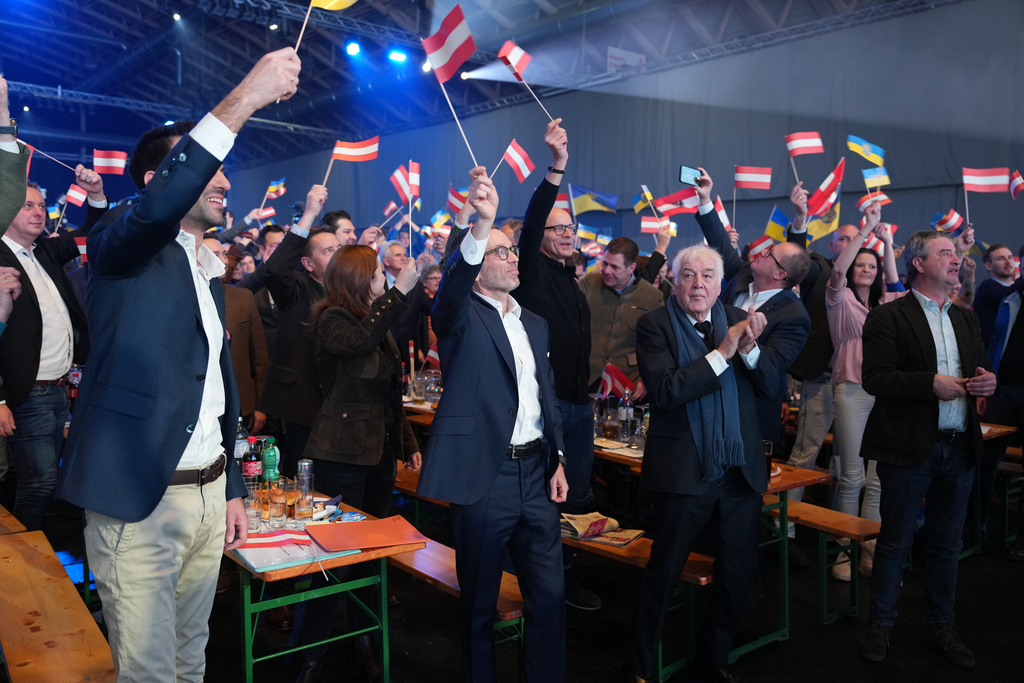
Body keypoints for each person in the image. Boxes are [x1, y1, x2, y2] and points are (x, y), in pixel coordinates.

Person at [57, 47, 301, 681]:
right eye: (207, 169)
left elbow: (214, 392)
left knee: (192, 661)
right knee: (149, 672)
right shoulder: (120, 243)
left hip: (210, 496)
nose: (223, 182)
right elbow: (156, 210)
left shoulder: (207, 271)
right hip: (140, 500)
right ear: (156, 180)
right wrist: (246, 97)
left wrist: (232, 487)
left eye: (224, 172)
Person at [418, 166, 569, 683]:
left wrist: (558, 458)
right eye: (501, 252)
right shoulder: (457, 316)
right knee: (479, 605)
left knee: (549, 598)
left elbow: (545, 397)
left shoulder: (533, 323)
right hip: (485, 477)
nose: (513, 257)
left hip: (537, 476)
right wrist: (481, 226)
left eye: (512, 251)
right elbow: (452, 285)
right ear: (479, 265)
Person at [623, 246, 774, 683]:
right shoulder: (655, 324)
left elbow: (769, 385)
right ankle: (637, 667)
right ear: (675, 281)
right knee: (663, 574)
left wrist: (749, 350)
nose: (698, 284)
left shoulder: (737, 318)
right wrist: (724, 350)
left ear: (720, 283)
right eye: (688, 274)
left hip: (739, 470)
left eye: (708, 275)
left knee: (736, 576)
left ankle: (715, 656)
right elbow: (666, 391)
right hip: (685, 470)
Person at [858, 230, 996, 669]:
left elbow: (980, 366)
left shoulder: (965, 318)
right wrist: (928, 384)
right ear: (918, 264)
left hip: (959, 447)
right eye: (945, 253)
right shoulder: (888, 316)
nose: (956, 260)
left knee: (946, 546)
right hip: (908, 447)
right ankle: (880, 624)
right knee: (895, 543)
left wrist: (987, 380)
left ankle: (942, 626)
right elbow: (875, 379)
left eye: (955, 253)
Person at [293, 244, 423, 683]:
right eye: (378, 274)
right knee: (334, 561)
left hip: (379, 457)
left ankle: (362, 641)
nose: (384, 279)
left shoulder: (375, 323)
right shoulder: (333, 319)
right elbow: (357, 342)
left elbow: (389, 397)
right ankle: (309, 656)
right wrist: (398, 294)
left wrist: (407, 443)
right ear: (360, 279)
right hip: (341, 457)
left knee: (369, 557)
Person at [510, 119, 600, 610]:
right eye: (558, 228)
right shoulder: (531, 269)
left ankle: (568, 576)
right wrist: (557, 167)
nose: (568, 234)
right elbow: (532, 222)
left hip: (579, 405)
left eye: (571, 228)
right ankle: (539, 581)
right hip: (548, 408)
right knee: (546, 499)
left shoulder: (570, 278)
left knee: (578, 498)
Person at [0, 173, 105, 531]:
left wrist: (96, 194)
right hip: (27, 392)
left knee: (47, 484)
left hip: (58, 388)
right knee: (39, 485)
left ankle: (33, 553)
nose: (38, 212)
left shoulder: (44, 249)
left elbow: (91, 230)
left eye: (42, 206)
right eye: (27, 205)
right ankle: (24, 559)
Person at [693, 169, 811, 450]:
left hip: (749, 416)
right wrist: (705, 198)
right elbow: (721, 243)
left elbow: (772, 370)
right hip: (706, 398)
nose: (761, 251)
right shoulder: (743, 274)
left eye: (770, 254)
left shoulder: (794, 316)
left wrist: (748, 346)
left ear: (780, 275)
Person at [825, 203, 904, 580]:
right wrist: (866, 229)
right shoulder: (839, 300)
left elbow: (897, 286)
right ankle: (843, 551)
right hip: (851, 391)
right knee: (851, 476)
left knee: (877, 480)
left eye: (872, 266)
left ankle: (870, 551)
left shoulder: (887, 306)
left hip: (884, 392)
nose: (866, 269)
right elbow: (838, 270)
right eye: (862, 264)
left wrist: (886, 243)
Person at [260, 196, 336, 472]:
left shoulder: (348, 292)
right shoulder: (297, 288)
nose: (337, 255)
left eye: (339, 249)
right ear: (308, 263)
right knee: (301, 478)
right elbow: (275, 269)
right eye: (328, 251)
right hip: (302, 405)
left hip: (336, 408)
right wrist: (310, 214)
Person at [204, 237, 269, 435]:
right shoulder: (184, 298)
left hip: (241, 404)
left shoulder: (242, 298)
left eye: (224, 254)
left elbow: (259, 359)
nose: (224, 261)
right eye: (214, 255)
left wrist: (260, 406)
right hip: (201, 402)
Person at [380, 240, 431, 368]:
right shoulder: (377, 281)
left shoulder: (415, 283)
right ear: (386, 261)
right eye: (398, 255)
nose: (404, 258)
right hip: (383, 350)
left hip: (409, 350)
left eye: (405, 254)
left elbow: (430, 307)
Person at [972, 243, 1015, 346]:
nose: (1008, 262)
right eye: (1001, 259)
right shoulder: (987, 287)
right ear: (989, 266)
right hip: (992, 351)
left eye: (1010, 257)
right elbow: (1007, 295)